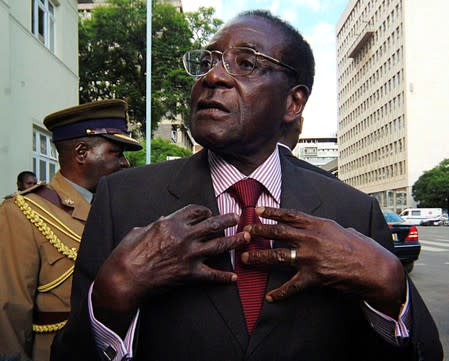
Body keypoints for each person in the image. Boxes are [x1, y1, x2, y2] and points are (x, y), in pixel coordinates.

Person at [51, 11, 442, 361]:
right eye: (207, 62)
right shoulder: (123, 199)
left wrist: (392, 291)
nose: (213, 76)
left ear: (293, 103)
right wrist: (110, 301)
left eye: (247, 63)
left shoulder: (353, 211)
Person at [0, 99, 141, 361]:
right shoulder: (23, 212)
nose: (125, 163)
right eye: (116, 152)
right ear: (81, 153)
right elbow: (10, 311)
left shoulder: (118, 208)